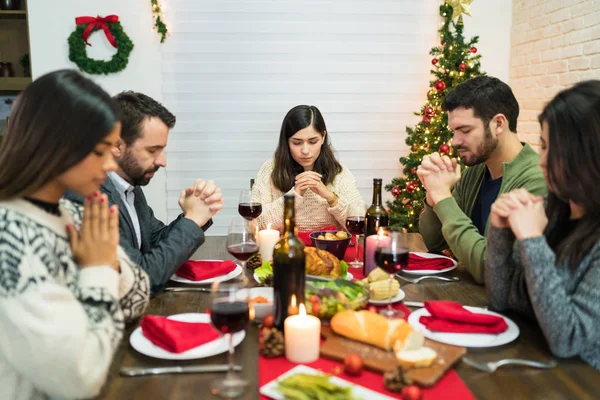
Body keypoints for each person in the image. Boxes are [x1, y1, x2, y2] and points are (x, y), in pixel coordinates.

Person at [0, 70, 150, 399]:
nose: (111, 166)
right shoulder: (9, 234)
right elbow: (80, 378)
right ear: (54, 146)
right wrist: (97, 268)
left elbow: (139, 295)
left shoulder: (75, 213)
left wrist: (105, 262)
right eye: (100, 152)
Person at [486, 80, 600, 371]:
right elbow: (501, 300)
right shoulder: (554, 210)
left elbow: (568, 339)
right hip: (533, 368)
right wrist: (500, 231)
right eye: (543, 146)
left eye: (555, 150)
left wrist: (532, 240)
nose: (542, 162)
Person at [66, 91, 224, 295]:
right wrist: (192, 221)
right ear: (116, 146)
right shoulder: (88, 195)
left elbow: (154, 241)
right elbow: (141, 277)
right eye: (152, 150)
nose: (162, 161)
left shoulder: (129, 184)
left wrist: (196, 216)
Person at [417, 76, 547, 283]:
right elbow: (436, 242)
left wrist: (443, 197)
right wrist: (433, 194)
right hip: (470, 298)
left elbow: (492, 269)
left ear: (498, 124)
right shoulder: (476, 170)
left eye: (465, 130)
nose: (455, 141)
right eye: (454, 131)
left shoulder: (536, 180)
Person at [252, 105, 364, 232]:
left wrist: (330, 196)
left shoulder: (339, 173)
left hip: (330, 250)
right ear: (287, 142)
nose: (305, 151)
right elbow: (254, 224)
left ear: (323, 138)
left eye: (312, 142)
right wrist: (294, 195)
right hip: (285, 249)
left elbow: (360, 225)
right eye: (297, 143)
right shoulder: (270, 170)